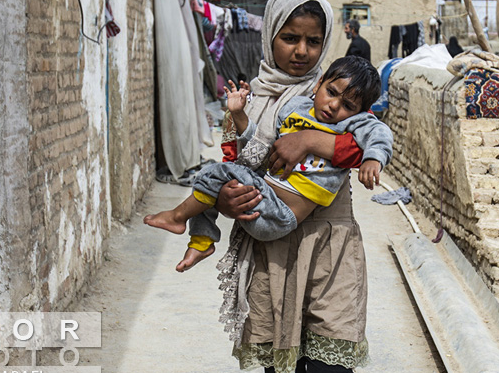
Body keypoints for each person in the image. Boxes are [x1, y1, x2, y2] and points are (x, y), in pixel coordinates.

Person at [209, 0, 373, 373]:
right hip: (270, 256)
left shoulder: (337, 98)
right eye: (290, 37)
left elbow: (366, 142)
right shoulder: (251, 101)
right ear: (270, 35)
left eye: (312, 40)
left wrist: (307, 138)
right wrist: (228, 197)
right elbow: (233, 167)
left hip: (328, 257)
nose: (301, 51)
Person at [142, 56, 392, 272]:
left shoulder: (353, 124)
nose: (334, 105)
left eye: (347, 105)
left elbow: (380, 135)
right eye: (332, 92)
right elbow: (261, 147)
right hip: (262, 200)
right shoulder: (295, 109)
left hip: (282, 216)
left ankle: (177, 216)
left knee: (215, 173)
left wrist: (373, 158)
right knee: (213, 180)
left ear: (359, 111)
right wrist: (239, 115)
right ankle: (200, 241)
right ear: (320, 83)